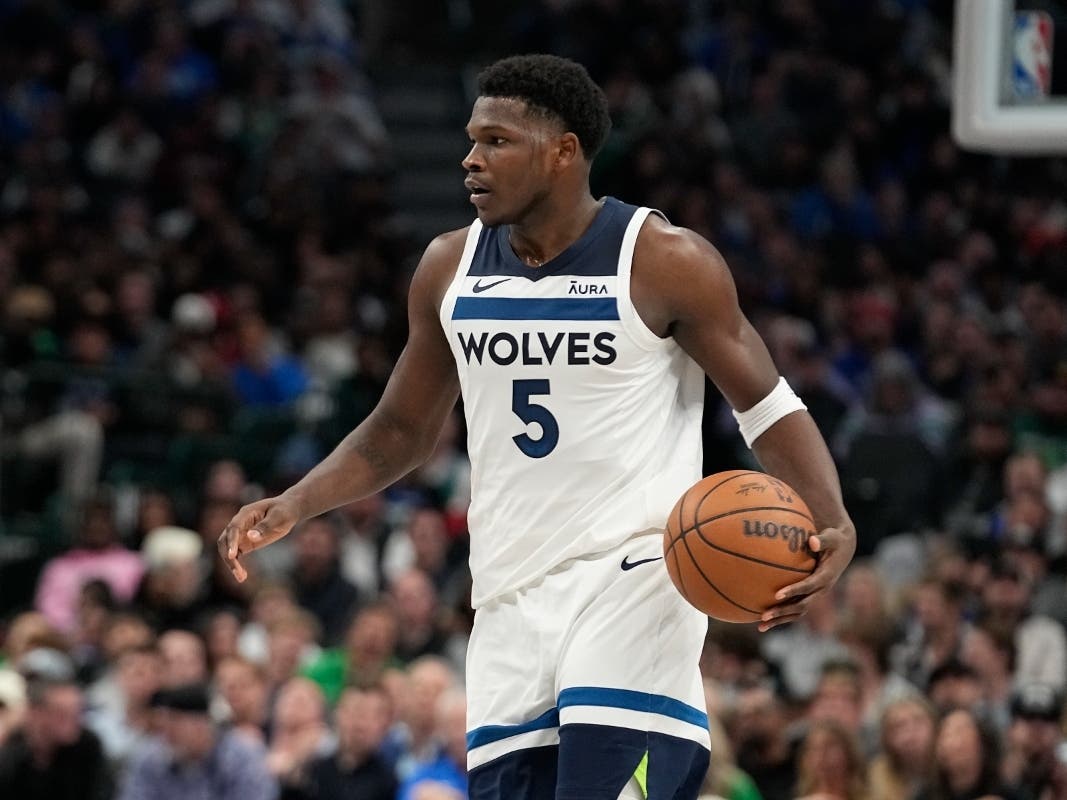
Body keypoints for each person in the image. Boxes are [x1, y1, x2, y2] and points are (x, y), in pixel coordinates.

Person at [218, 53, 856, 800]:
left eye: (496, 141)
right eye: (469, 139)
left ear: (562, 152)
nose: (469, 159)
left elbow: (765, 400)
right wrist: (296, 501)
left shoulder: (660, 260)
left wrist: (831, 515)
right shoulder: (447, 268)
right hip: (507, 599)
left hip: (634, 575)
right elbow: (401, 429)